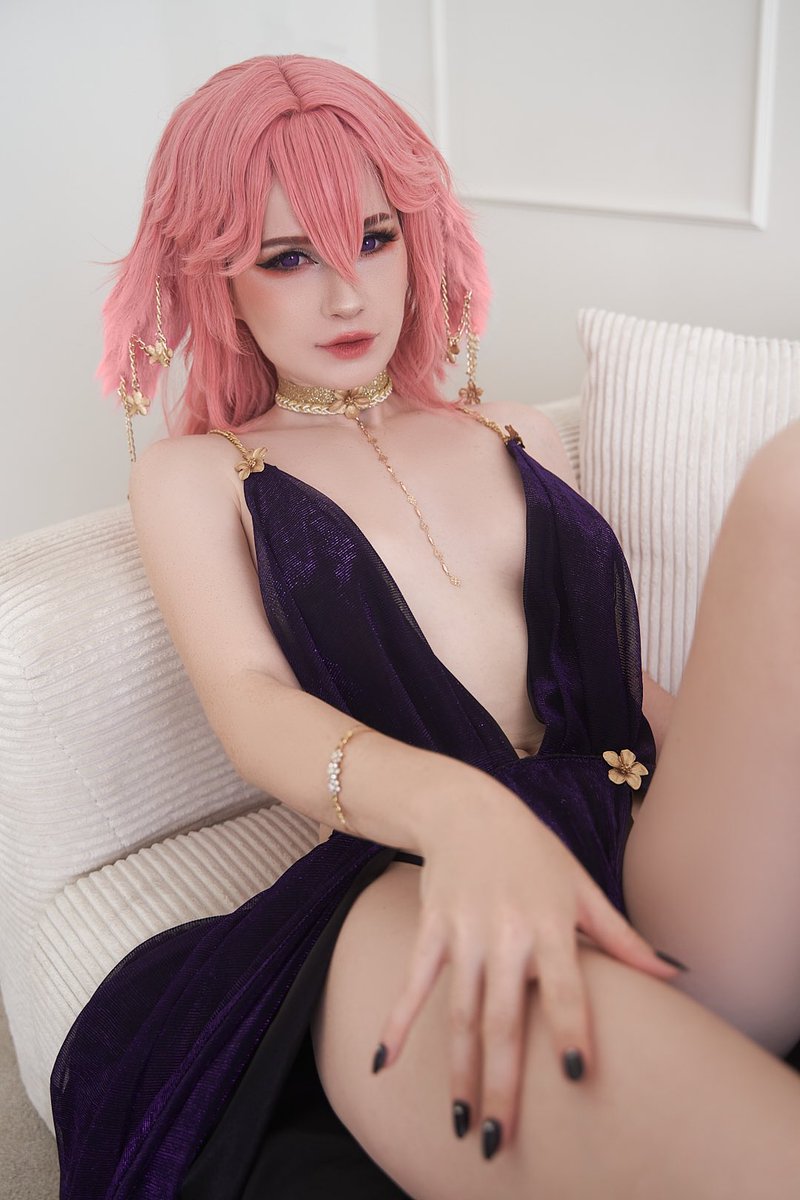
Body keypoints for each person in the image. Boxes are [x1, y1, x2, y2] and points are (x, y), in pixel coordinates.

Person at [51, 54, 800, 1199]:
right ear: (215, 277)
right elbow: (250, 702)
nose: (347, 296)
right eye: (289, 257)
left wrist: (745, 789)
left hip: (644, 843)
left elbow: (621, 687)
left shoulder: (516, 434)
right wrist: (459, 809)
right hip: (416, 873)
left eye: (374, 238)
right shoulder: (197, 477)